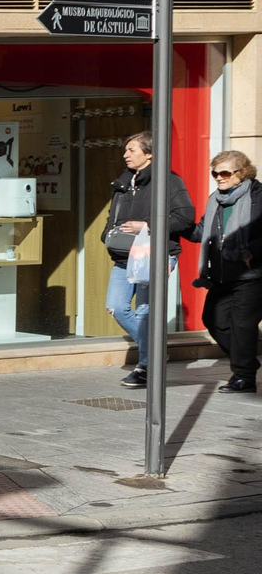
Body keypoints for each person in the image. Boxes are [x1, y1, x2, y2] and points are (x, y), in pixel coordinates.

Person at [102, 132, 194, 388]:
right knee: (116, 307)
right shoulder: (124, 182)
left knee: (144, 312)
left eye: (131, 150)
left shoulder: (168, 181)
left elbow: (185, 218)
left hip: (154, 254)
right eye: (125, 150)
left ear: (150, 153)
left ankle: (145, 366)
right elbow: (114, 214)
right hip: (123, 255)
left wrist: (148, 225)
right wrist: (107, 233)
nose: (125, 154)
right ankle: (153, 351)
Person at [183, 150, 262, 393]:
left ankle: (244, 376)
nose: (219, 177)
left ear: (242, 173)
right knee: (214, 321)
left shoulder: (258, 196)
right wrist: (175, 225)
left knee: (242, 325)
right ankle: (246, 359)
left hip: (251, 275)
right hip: (220, 275)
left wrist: (251, 252)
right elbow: (200, 233)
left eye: (225, 172)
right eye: (215, 173)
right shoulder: (215, 199)